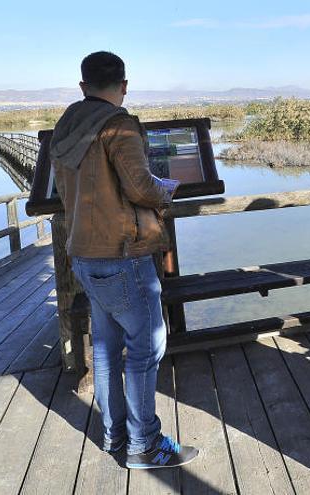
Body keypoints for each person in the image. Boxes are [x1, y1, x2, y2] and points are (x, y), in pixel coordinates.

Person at [50, 51, 198, 468]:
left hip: (84, 252)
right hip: (123, 254)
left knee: (106, 346)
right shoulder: (118, 124)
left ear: (83, 87)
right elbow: (139, 187)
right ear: (124, 85)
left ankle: (115, 436)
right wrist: (164, 189)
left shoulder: (67, 123)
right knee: (147, 347)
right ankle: (144, 445)